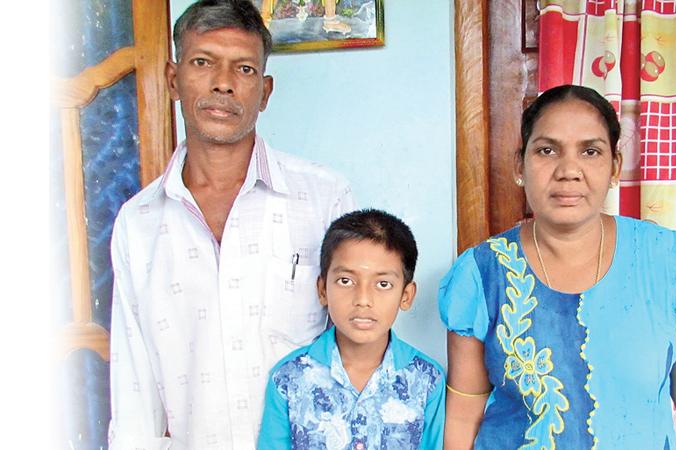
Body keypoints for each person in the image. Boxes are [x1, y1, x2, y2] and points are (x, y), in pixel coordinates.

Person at [107, 1, 354, 448]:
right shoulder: (139, 223)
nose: (223, 84)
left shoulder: (323, 197)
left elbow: (359, 342)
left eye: (243, 69)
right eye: (203, 62)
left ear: (264, 91)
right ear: (173, 79)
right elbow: (134, 385)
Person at [438, 85, 676, 449]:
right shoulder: (482, 273)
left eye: (590, 151)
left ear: (614, 167)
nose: (569, 170)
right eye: (547, 150)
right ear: (520, 166)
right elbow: (465, 413)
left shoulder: (669, 261)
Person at [257, 209, 445, 449]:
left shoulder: (427, 380)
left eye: (383, 284)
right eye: (346, 281)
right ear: (323, 289)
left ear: (406, 296)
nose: (363, 299)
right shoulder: (288, 378)